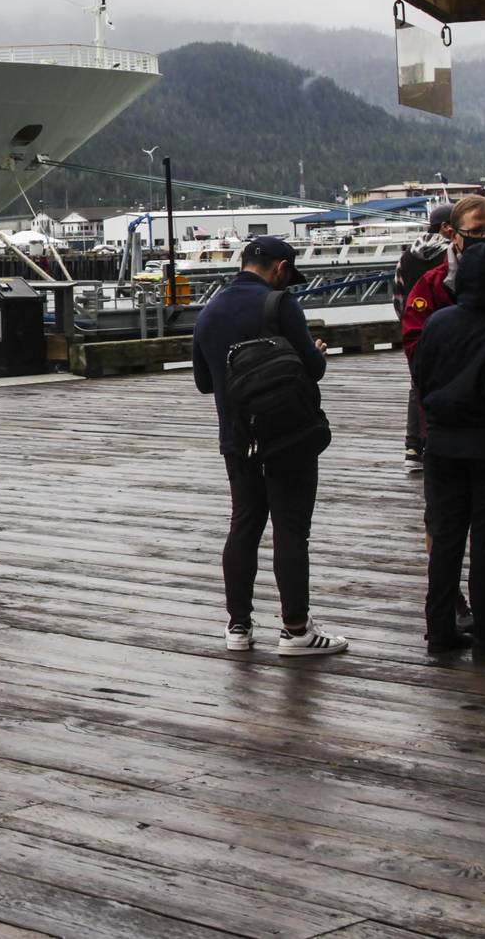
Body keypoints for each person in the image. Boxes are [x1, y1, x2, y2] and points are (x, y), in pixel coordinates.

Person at [190, 236, 348, 656]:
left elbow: (205, 383)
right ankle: (296, 630)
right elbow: (312, 370)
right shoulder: (279, 306)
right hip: (288, 437)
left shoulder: (210, 310)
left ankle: (238, 627)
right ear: (280, 268)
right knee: (291, 530)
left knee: (244, 525)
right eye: (287, 276)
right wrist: (314, 352)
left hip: (238, 439)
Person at [401, 195, 485, 633]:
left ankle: (484, 602)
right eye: (479, 232)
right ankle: (460, 606)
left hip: (462, 426)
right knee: (448, 523)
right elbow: (418, 360)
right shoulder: (431, 288)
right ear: (452, 233)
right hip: (454, 423)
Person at [393, 202, 454, 469]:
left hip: (417, 328)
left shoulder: (407, 256)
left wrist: (408, 324)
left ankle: (413, 448)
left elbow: (398, 297)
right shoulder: (451, 255)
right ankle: (438, 442)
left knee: (417, 385)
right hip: (449, 329)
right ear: (445, 227)